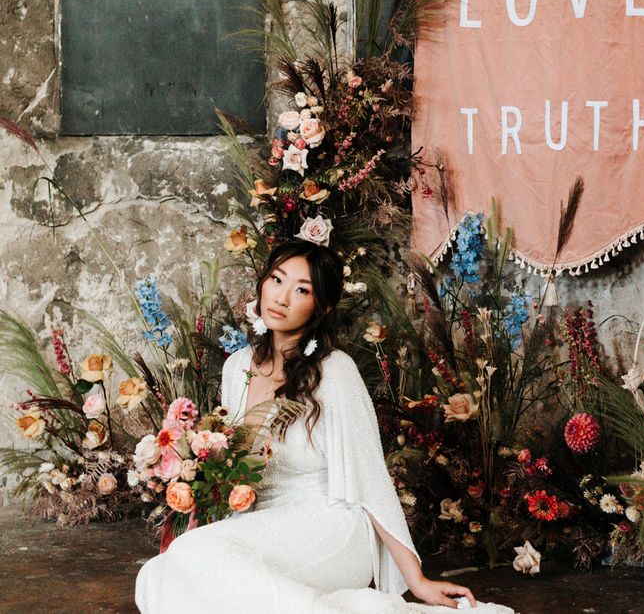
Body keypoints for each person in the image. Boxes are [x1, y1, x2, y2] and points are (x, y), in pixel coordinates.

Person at [135, 239, 515, 614]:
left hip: (331, 527)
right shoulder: (237, 368)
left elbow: (372, 481)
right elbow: (233, 463)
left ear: (322, 307)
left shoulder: (334, 372)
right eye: (277, 280)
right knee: (158, 573)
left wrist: (417, 581)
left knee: (195, 558)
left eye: (302, 290)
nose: (282, 298)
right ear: (263, 283)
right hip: (262, 523)